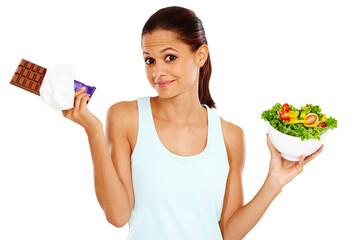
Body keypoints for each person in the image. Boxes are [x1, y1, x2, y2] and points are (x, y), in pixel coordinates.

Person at [62, 6, 324, 240]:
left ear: (201, 56)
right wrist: (93, 131)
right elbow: (118, 216)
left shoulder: (230, 135)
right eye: (149, 60)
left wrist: (274, 182)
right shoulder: (126, 117)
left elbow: (228, 233)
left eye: (170, 57)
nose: (157, 72)